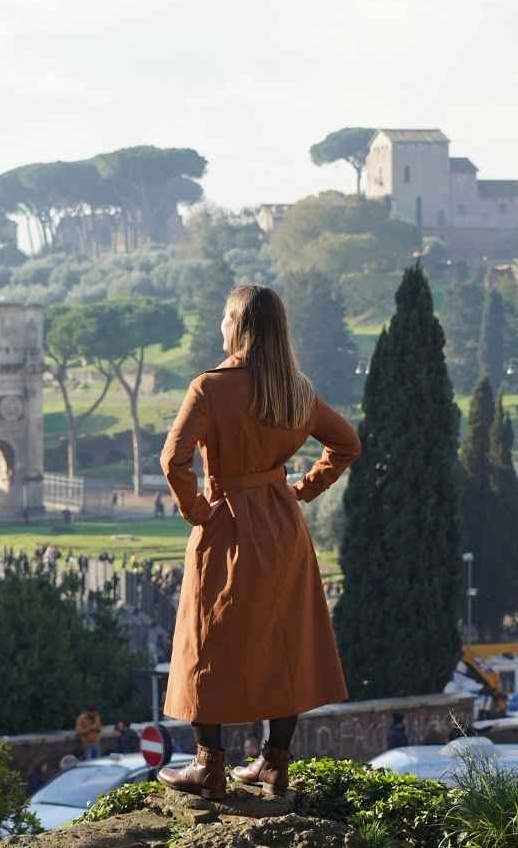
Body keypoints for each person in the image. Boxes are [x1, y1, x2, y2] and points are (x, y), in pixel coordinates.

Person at [155, 285, 361, 800]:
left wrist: (197, 510)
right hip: (282, 522)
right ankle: (274, 762)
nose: (220, 327)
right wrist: (302, 490)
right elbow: (347, 443)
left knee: (209, 636)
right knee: (283, 635)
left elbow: (173, 461)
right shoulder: (295, 390)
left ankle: (209, 766)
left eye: (225, 318)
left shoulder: (210, 387)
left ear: (238, 326)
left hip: (225, 521)